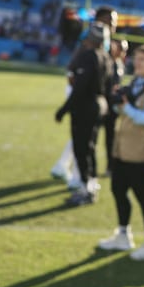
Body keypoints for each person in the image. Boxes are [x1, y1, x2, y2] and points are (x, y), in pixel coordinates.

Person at [98, 45, 144, 261]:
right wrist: (117, 103)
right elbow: (124, 110)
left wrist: (127, 108)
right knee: (118, 190)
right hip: (126, 149)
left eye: (142, 60)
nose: (136, 63)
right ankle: (123, 235)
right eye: (136, 59)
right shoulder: (138, 82)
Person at [55, 21, 113, 205]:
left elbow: (80, 86)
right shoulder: (106, 57)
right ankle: (91, 185)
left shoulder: (89, 56)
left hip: (86, 107)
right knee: (90, 148)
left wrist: (64, 109)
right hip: (99, 106)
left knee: (82, 150)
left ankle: (86, 189)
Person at [103, 39, 128, 176]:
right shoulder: (107, 61)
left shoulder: (120, 64)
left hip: (113, 107)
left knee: (111, 139)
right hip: (103, 104)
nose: (123, 52)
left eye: (125, 50)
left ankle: (110, 167)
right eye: (121, 49)